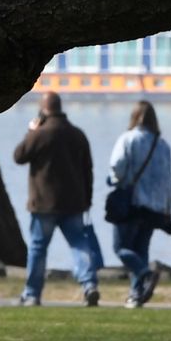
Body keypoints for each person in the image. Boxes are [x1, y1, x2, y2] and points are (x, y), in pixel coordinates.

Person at [12, 91, 104, 306]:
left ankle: (32, 294)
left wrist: (30, 131)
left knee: (37, 248)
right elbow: (87, 170)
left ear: (43, 109)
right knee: (79, 244)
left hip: (44, 204)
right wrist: (87, 199)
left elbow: (18, 156)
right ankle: (89, 284)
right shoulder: (78, 135)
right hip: (74, 203)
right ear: (61, 108)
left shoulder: (40, 134)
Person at [107, 101, 171, 308]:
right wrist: (167, 208)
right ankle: (136, 295)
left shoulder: (128, 139)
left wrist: (116, 180)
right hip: (155, 206)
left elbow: (117, 166)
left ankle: (145, 274)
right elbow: (168, 179)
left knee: (121, 248)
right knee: (141, 248)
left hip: (133, 202)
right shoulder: (162, 145)